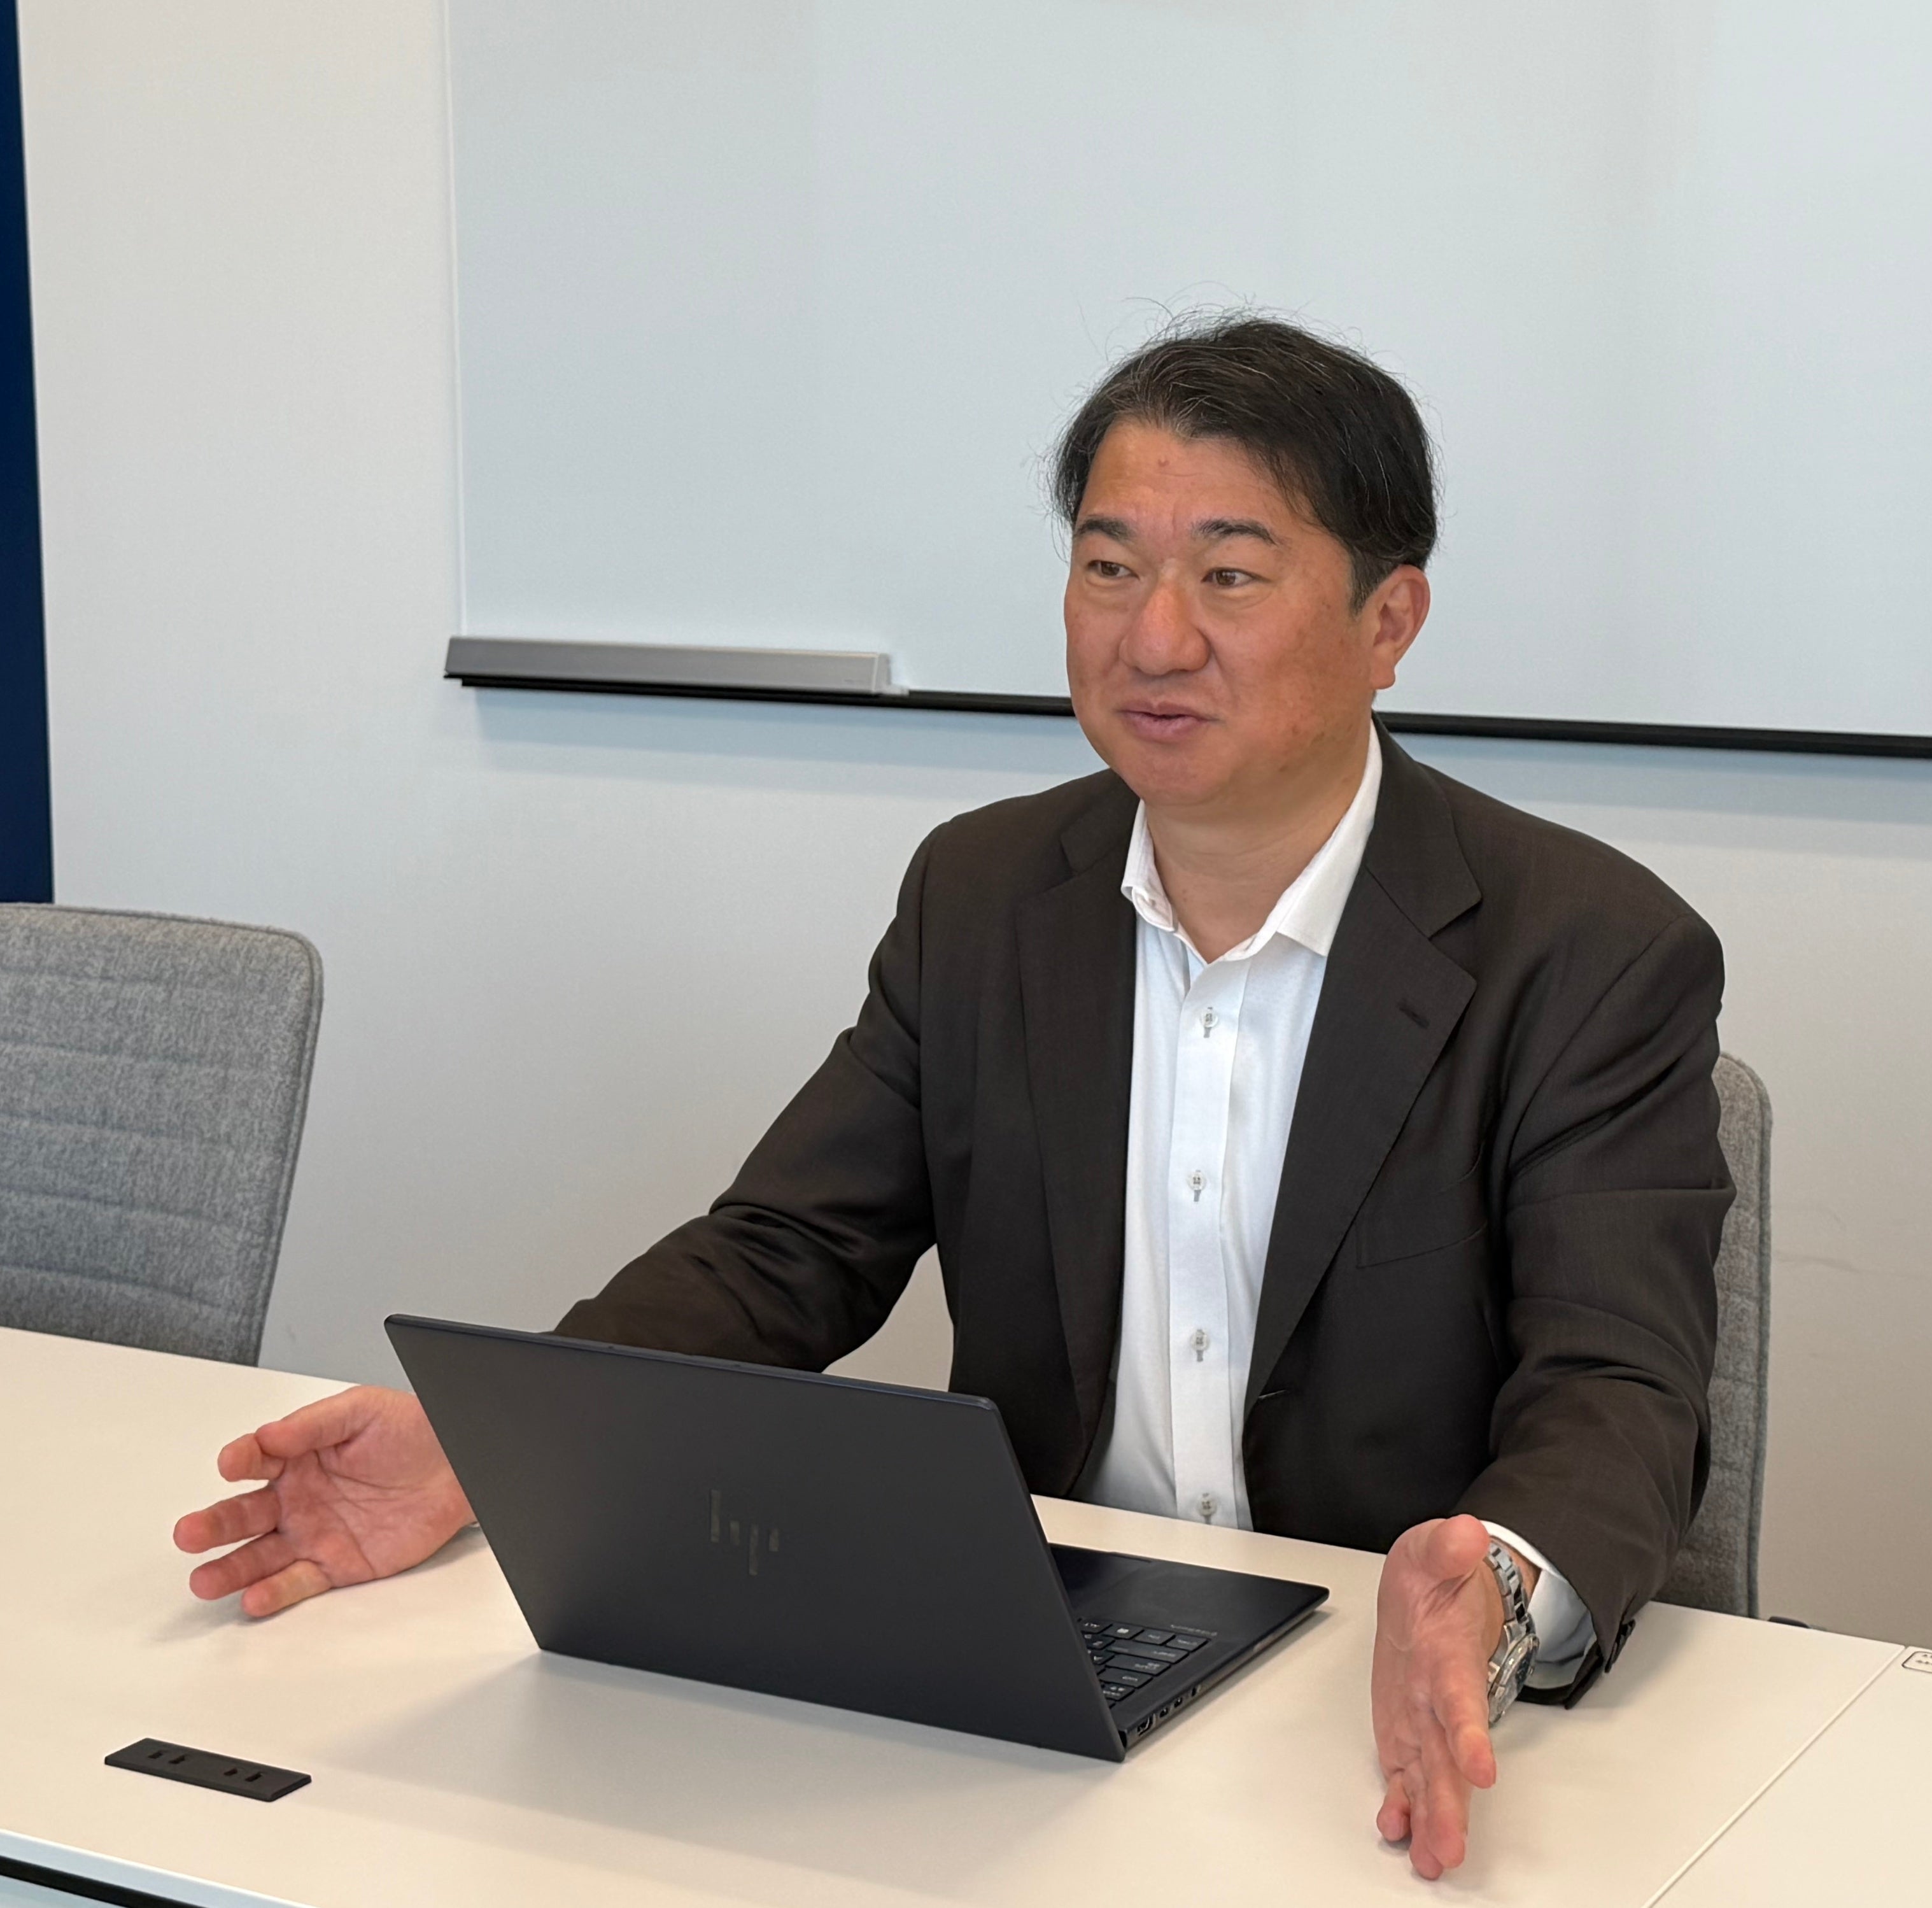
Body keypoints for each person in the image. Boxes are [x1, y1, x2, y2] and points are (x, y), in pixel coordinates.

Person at [174, 314, 1731, 1881]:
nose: (1155, 637)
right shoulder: (987, 895)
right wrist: (500, 1443)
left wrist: (1496, 1587)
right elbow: (788, 1249)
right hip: (1044, 1683)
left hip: (1379, 1708)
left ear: (1390, 620)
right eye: (1110, 566)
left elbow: (1620, 1386)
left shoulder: (1589, 952)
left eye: (1230, 575)